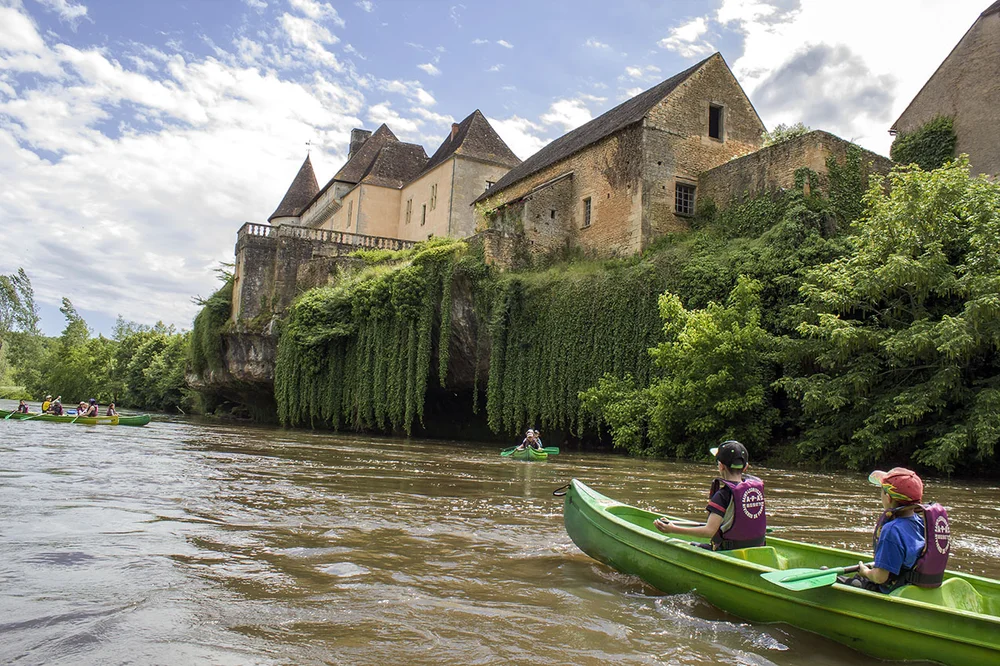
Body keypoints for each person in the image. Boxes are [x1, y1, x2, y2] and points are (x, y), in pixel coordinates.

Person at [839, 467, 950, 593]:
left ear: (888, 498)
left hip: (892, 590)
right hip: (911, 588)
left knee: (828, 572)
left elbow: (880, 577)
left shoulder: (891, 530)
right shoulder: (922, 523)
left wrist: (866, 572)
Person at [653, 440, 767, 551]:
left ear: (721, 466)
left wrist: (673, 529)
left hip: (729, 551)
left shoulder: (723, 495)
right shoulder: (755, 490)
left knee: (680, 543)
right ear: (745, 467)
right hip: (757, 548)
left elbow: (709, 531)